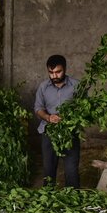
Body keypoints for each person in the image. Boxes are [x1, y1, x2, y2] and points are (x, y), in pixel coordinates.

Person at [34, 54, 80, 188]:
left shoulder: (76, 86)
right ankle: (48, 199)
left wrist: (70, 117)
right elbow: (38, 108)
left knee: (72, 171)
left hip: (70, 132)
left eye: (58, 72)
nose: (54, 76)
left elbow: (84, 108)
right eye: (51, 72)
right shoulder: (43, 87)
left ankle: (73, 199)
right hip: (49, 132)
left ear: (65, 69)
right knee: (48, 171)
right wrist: (49, 117)